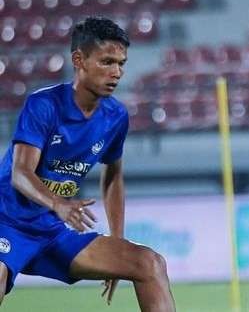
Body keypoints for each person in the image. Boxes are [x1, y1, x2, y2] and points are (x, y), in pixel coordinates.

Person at [0, 17, 175, 311]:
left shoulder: (116, 116)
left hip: (53, 232)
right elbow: (20, 173)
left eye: (121, 63)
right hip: (7, 223)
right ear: (79, 60)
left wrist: (117, 242)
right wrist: (59, 203)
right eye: (107, 62)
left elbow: (113, 177)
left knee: (149, 263)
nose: (116, 72)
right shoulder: (43, 105)